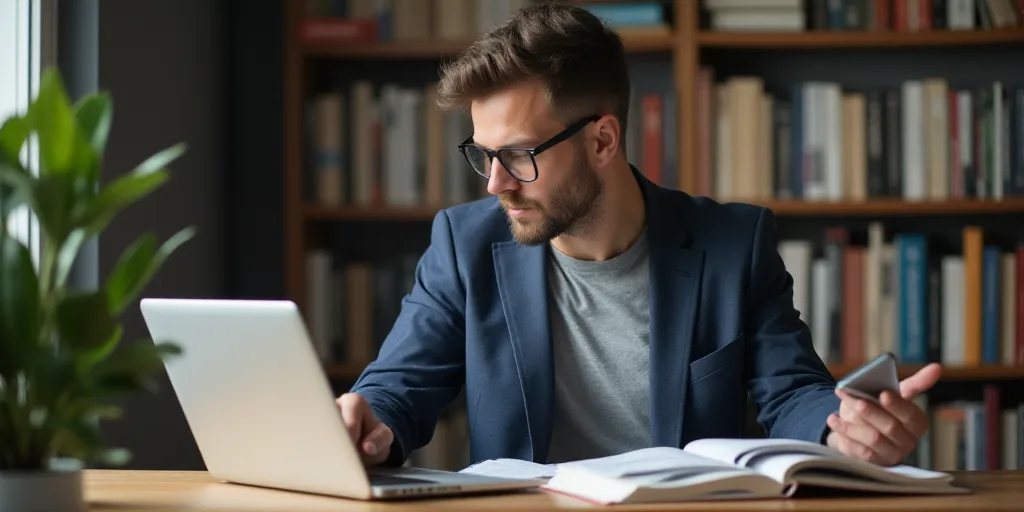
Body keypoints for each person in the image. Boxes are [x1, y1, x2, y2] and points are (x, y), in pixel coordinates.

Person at [336, 2, 941, 469]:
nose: (495, 184)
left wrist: (842, 425)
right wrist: (371, 424)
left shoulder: (732, 242)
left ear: (603, 140)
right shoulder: (462, 245)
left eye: (519, 156)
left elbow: (791, 392)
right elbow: (399, 386)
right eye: (483, 154)